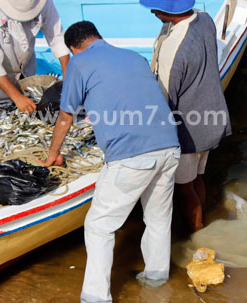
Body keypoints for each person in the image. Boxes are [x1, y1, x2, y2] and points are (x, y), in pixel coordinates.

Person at [39, 21, 180, 303]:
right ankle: (156, 280)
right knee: (158, 219)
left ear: (74, 48)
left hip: (132, 157)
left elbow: (67, 115)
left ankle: (95, 297)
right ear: (99, 37)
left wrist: (54, 154)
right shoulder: (133, 57)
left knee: (99, 226)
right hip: (170, 146)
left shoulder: (79, 63)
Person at [140, 0, 231, 231]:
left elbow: (164, 101)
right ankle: (203, 218)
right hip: (211, 117)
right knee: (197, 178)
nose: (153, 13)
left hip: (189, 130)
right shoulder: (204, 19)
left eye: (155, 8)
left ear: (165, 8)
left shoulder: (173, 51)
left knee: (183, 188)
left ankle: (196, 234)